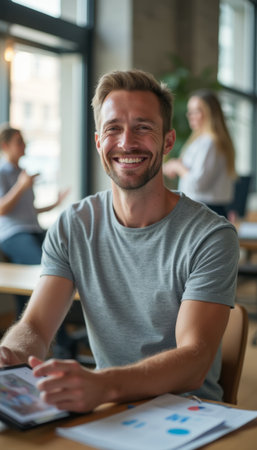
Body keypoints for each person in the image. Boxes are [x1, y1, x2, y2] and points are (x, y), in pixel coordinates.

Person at [0, 70, 239, 414]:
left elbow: (193, 361)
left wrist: (103, 384)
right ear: (99, 141)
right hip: (107, 410)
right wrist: (13, 352)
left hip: (187, 415)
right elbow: (35, 326)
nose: (126, 142)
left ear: (168, 141)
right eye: (113, 128)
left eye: (143, 127)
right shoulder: (73, 225)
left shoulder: (210, 236)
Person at [0, 126, 69, 318]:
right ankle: (60, 340)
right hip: (12, 234)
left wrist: (55, 204)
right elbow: (2, 209)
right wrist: (21, 186)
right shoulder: (3, 173)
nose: (24, 145)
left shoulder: (24, 174)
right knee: (48, 271)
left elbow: (30, 210)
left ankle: (61, 338)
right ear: (5, 145)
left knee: (65, 259)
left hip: (33, 229)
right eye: (19, 141)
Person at [163, 89, 237, 217]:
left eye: (196, 111)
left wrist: (178, 167)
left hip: (206, 211)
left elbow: (198, 184)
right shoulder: (200, 141)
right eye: (189, 111)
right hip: (202, 209)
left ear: (210, 114)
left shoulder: (210, 143)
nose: (190, 115)